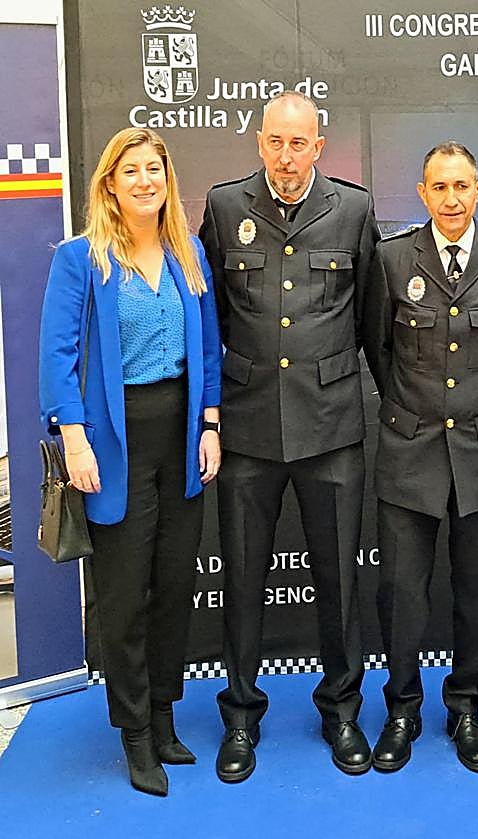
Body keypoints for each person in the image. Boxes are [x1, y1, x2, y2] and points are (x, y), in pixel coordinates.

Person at [199, 90, 380, 782]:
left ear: (318, 146)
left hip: (332, 426)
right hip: (247, 425)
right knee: (243, 579)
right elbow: (208, 316)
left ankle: (341, 710)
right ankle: (241, 716)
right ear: (260, 142)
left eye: (298, 143)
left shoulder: (354, 209)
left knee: (339, 579)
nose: (285, 157)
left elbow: (372, 322)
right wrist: (209, 415)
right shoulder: (223, 206)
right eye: (275, 142)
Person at [39, 127, 222, 796]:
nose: (146, 179)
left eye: (156, 168)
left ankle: (165, 716)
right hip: (113, 442)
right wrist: (75, 437)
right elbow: (58, 356)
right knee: (122, 596)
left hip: (181, 436)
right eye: (132, 170)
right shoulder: (81, 258)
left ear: (167, 179)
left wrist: (210, 424)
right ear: (110, 182)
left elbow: (208, 348)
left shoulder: (186, 250)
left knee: (174, 584)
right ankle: (134, 732)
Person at [360, 141, 478, 774]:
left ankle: (467, 708)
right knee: (401, 592)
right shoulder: (393, 258)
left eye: (462, 187)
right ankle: (402, 709)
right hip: (408, 449)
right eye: (438, 188)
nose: (451, 199)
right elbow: (376, 345)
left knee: (475, 592)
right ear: (422, 194)